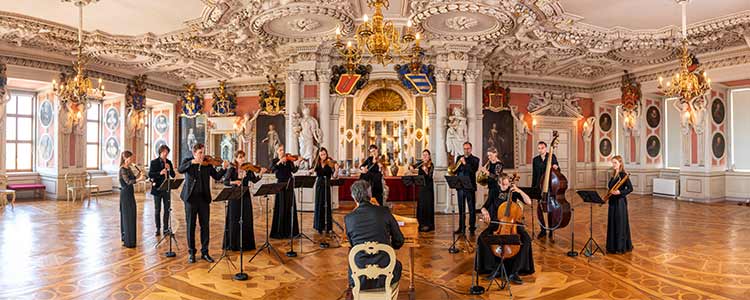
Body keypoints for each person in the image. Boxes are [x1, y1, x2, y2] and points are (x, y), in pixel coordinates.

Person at [345, 180, 404, 290]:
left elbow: (353, 244)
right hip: (386, 274)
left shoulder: (349, 218)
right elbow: (399, 240)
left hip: (359, 276)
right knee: (398, 265)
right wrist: (388, 246)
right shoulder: (384, 212)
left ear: (354, 197)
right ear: (370, 194)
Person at [476, 174, 534, 284]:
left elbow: (529, 202)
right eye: (503, 185)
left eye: (507, 184)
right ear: (499, 183)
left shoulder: (513, 191)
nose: (506, 187)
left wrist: (519, 190)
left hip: (513, 224)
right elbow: (485, 206)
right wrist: (484, 211)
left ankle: (514, 272)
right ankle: (494, 268)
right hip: (497, 223)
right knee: (481, 238)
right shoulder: (494, 191)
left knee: (526, 240)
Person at [178, 143, 229, 263]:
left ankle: (205, 252)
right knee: (191, 226)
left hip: (203, 199)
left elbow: (216, 176)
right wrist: (192, 163)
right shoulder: (188, 161)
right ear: (194, 153)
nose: (202, 155)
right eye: (200, 153)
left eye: (203, 152)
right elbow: (180, 169)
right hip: (190, 199)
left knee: (205, 226)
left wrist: (224, 168)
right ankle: (191, 252)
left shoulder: (207, 164)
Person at [223, 150, 266, 251]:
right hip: (234, 196)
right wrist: (234, 182)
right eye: (240, 157)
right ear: (236, 158)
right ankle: (233, 244)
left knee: (246, 218)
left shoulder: (248, 169)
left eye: (243, 157)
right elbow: (225, 182)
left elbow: (254, 180)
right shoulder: (232, 169)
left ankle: (246, 244)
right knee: (234, 219)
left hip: (245, 195)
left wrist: (260, 174)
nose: (242, 159)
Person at [270, 144, 301, 239]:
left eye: (283, 150)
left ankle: (291, 231)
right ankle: (280, 232)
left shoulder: (288, 160)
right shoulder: (275, 161)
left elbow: (294, 170)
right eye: (280, 150)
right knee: (281, 208)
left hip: (289, 185)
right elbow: (272, 169)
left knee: (290, 207)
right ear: (277, 151)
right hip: (280, 186)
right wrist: (280, 161)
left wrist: (298, 163)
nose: (282, 151)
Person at [531, 141, 559, 239]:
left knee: (551, 209)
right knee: (540, 209)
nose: (540, 150)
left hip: (550, 186)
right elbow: (534, 175)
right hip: (539, 187)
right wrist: (533, 190)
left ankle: (551, 229)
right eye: (539, 148)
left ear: (546, 148)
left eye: (542, 148)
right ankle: (542, 230)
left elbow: (557, 170)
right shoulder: (535, 160)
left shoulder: (552, 156)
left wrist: (556, 167)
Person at [606, 155, 633, 254]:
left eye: (615, 163)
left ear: (620, 163)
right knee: (613, 223)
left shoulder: (623, 175)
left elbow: (630, 189)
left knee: (620, 224)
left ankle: (620, 247)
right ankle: (612, 247)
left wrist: (620, 192)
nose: (613, 165)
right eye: (612, 163)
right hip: (612, 202)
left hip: (620, 203)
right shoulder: (614, 174)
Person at [148, 145, 176, 236]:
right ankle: (158, 228)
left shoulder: (169, 162)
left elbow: (173, 175)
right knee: (157, 210)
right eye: (164, 152)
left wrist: (169, 169)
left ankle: (166, 228)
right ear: (160, 152)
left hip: (166, 189)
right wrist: (160, 173)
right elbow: (150, 174)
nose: (166, 154)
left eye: (167, 152)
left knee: (167, 209)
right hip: (157, 189)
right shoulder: (154, 162)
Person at [454, 142, 480, 235]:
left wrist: (464, 163)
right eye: (465, 148)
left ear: (471, 149)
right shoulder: (459, 158)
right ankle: (461, 227)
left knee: (471, 209)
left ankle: (472, 228)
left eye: (468, 148)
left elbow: (473, 171)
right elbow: (454, 170)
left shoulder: (475, 160)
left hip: (470, 187)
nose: (466, 150)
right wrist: (459, 163)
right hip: (460, 187)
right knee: (461, 209)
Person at [119, 150, 142, 248]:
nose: (131, 159)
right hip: (125, 195)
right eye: (130, 158)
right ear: (125, 158)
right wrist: (139, 179)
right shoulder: (122, 169)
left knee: (132, 215)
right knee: (127, 217)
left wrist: (140, 174)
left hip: (130, 193)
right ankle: (128, 241)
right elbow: (128, 181)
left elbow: (133, 179)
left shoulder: (129, 168)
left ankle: (132, 240)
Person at [312, 147, 338, 236]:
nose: (323, 156)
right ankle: (319, 226)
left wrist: (337, 170)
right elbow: (314, 172)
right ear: (319, 155)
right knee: (319, 204)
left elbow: (334, 176)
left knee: (326, 205)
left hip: (326, 184)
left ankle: (328, 227)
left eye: (324, 154)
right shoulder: (317, 163)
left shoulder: (330, 162)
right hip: (319, 185)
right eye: (321, 155)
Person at [409, 149, 434, 232]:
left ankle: (428, 224)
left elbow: (429, 176)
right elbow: (411, 167)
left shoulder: (431, 165)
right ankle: (421, 223)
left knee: (427, 205)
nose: (425, 156)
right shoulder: (420, 163)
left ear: (429, 156)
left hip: (428, 188)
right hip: (421, 188)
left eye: (426, 155)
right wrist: (411, 168)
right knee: (421, 205)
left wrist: (425, 170)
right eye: (423, 155)